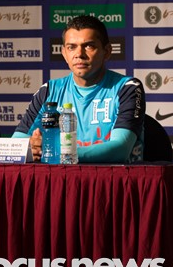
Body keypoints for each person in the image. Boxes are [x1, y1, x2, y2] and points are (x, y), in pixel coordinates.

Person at [13, 15, 145, 163]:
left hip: (115, 176)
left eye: (89, 46)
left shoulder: (127, 88)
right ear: (64, 53)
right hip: (62, 177)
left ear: (107, 51)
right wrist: (31, 147)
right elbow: (16, 145)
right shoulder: (49, 91)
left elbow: (120, 150)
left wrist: (56, 152)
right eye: (71, 47)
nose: (79, 54)